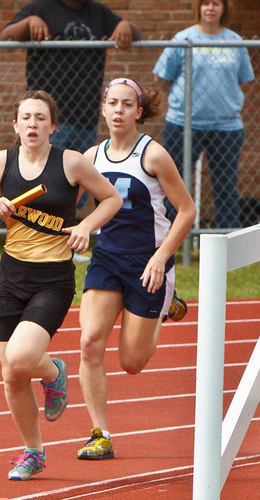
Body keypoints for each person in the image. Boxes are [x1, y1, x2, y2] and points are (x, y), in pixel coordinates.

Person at [0, 90, 121, 481]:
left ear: (52, 126)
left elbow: (111, 199)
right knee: (11, 374)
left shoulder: (71, 162)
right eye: (26, 118)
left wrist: (85, 226)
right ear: (15, 125)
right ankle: (34, 452)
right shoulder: (2, 162)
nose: (33, 124)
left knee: (21, 356)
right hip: (11, 278)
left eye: (40, 118)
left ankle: (53, 372)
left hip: (52, 278)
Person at [76, 78, 196, 461]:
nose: (118, 111)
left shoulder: (153, 155)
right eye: (112, 103)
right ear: (103, 108)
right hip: (108, 258)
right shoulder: (90, 157)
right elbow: (68, 201)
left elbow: (187, 211)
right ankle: (100, 434)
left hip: (148, 262)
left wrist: (161, 257)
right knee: (89, 343)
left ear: (139, 112)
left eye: (127, 104)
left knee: (131, 363)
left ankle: (164, 306)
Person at [153, 0, 253, 230]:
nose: (210, 8)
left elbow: (242, 79)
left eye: (216, 3)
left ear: (224, 8)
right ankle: (170, 238)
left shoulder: (234, 41)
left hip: (226, 126)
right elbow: (162, 77)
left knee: (226, 186)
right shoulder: (183, 39)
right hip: (183, 124)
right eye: (205, 3)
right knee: (175, 183)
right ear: (198, 7)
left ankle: (228, 238)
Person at [0, 0, 141, 154]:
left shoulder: (98, 12)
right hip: (50, 118)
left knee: (81, 167)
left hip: (86, 117)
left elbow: (137, 35)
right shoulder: (41, 8)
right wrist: (29, 22)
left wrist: (125, 25)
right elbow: (6, 37)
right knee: (48, 166)